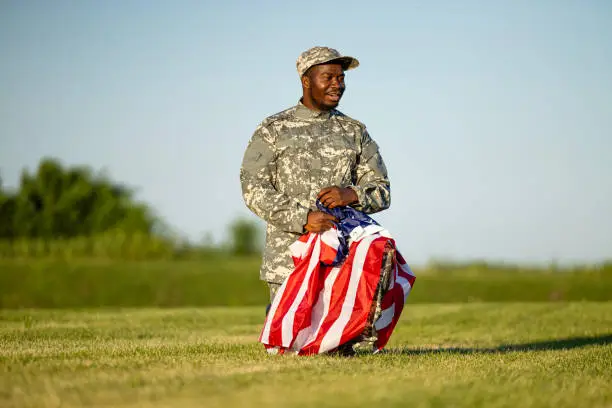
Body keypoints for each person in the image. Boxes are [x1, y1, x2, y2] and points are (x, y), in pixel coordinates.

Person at [240, 46, 392, 353]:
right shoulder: (273, 129)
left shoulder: (354, 131)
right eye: (329, 76)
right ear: (306, 80)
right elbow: (253, 188)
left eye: (341, 77)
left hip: (342, 263)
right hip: (290, 261)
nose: (338, 84)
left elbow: (382, 190)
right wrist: (303, 218)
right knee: (288, 348)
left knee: (338, 351)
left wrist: (351, 194)